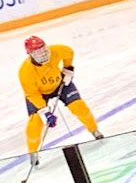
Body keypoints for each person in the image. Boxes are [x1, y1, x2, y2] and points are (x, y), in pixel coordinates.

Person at [19, 36, 103, 165]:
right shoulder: (25, 72)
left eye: (44, 50)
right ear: (30, 54)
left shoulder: (56, 50)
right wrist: (45, 112)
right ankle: (32, 152)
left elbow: (68, 51)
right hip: (39, 94)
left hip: (61, 84)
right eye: (38, 53)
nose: (43, 55)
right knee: (35, 123)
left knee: (79, 107)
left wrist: (68, 68)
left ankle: (95, 130)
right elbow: (32, 94)